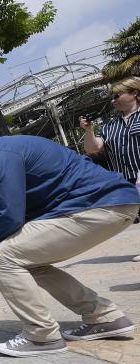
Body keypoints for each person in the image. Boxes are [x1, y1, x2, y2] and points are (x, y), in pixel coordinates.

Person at [0, 121, 140, 357]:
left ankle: (41, 336)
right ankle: (104, 317)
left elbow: (9, 214)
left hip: (98, 205)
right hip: (109, 204)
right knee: (26, 261)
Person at [80, 76, 140, 260]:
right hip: (126, 178)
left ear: (135, 93)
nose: (113, 100)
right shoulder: (110, 126)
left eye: (117, 95)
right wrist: (88, 130)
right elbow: (93, 148)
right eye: (111, 97)